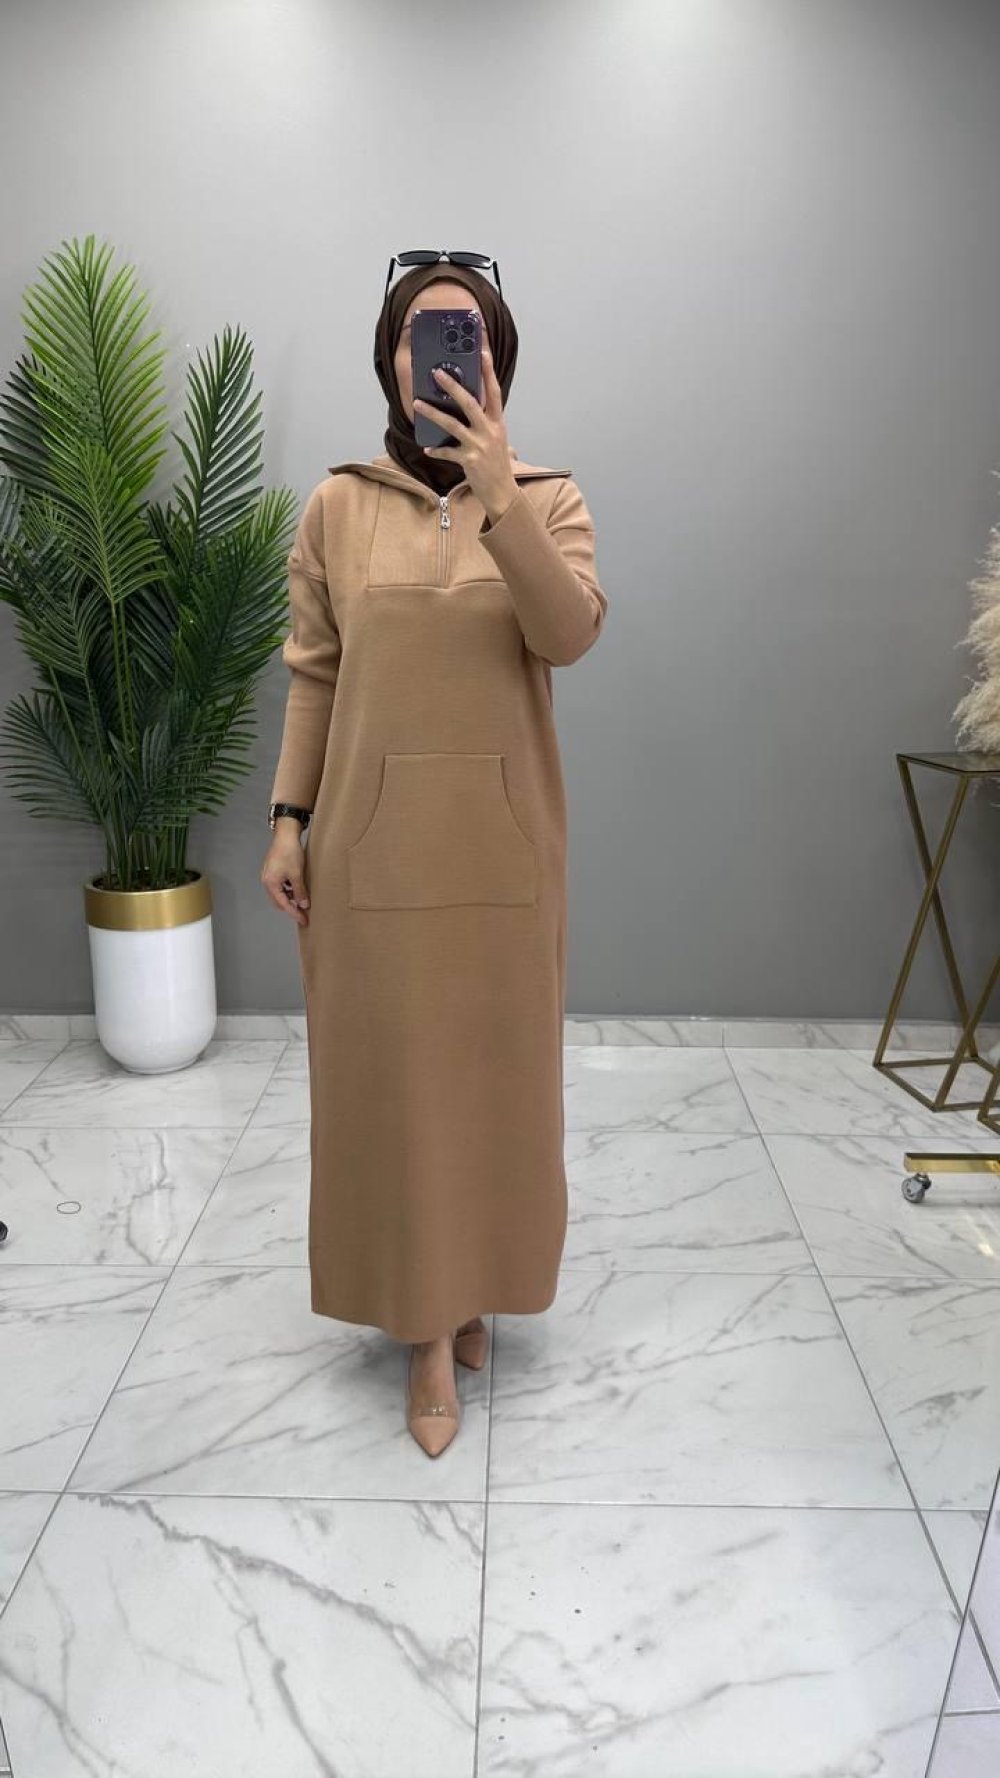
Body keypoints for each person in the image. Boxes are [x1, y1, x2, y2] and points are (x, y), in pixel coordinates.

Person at [261, 256, 608, 1456]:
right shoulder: (335, 506)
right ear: (389, 357)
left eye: (466, 332)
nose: (444, 350)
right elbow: (315, 673)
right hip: (369, 852)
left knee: (491, 1085)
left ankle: (471, 1292)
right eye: (423, 331)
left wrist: (500, 494)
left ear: (496, 358)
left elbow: (566, 636)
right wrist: (288, 818)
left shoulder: (550, 498)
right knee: (394, 1091)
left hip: (504, 855)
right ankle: (421, 1332)